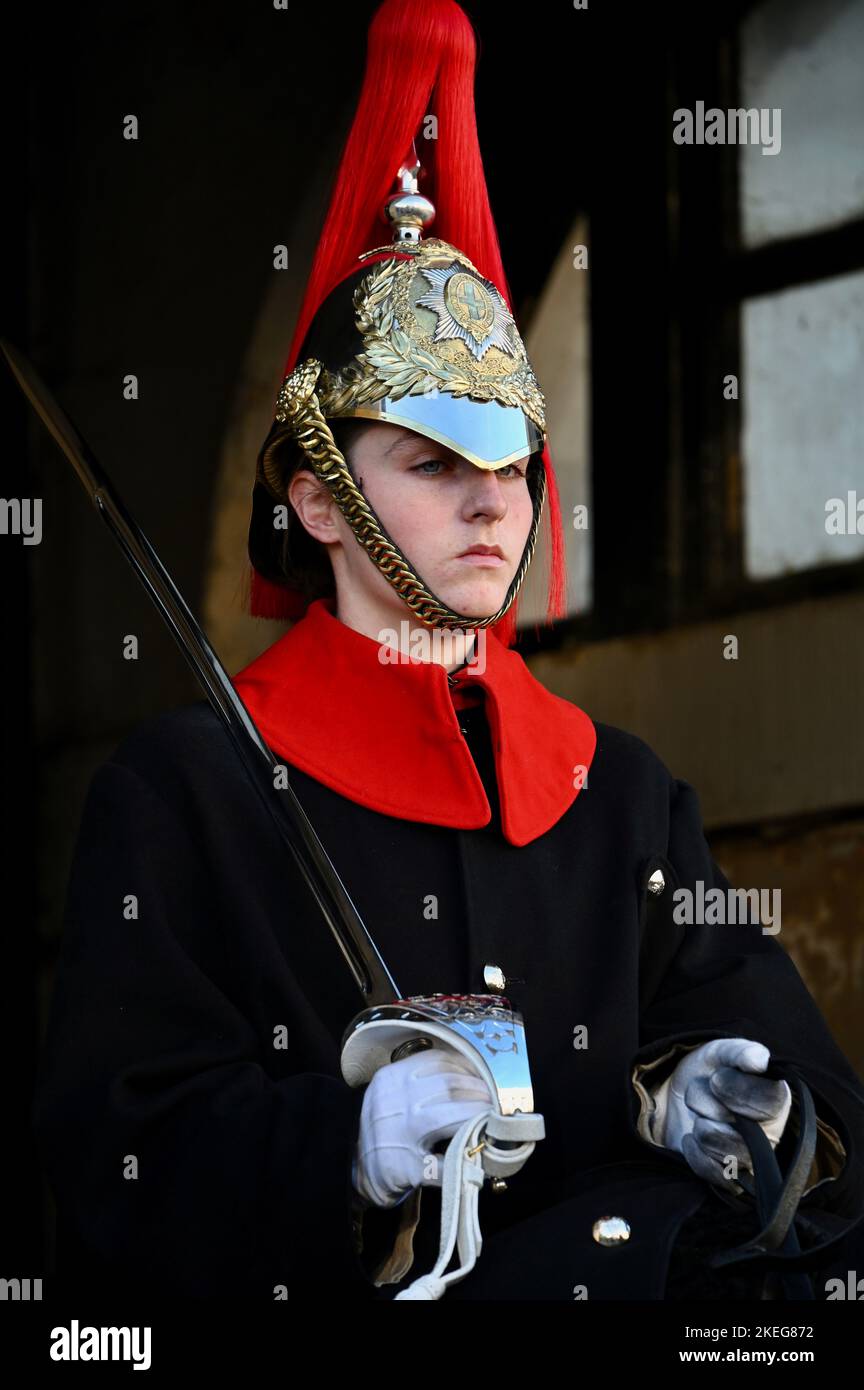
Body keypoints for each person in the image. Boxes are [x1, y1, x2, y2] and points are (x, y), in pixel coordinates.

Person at [33, 0, 864, 1303]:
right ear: (316, 499)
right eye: (433, 461)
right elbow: (114, 1162)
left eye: (510, 466)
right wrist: (339, 1151)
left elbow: (807, 1090)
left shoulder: (622, 795)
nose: (493, 504)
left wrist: (709, 1095)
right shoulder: (184, 790)